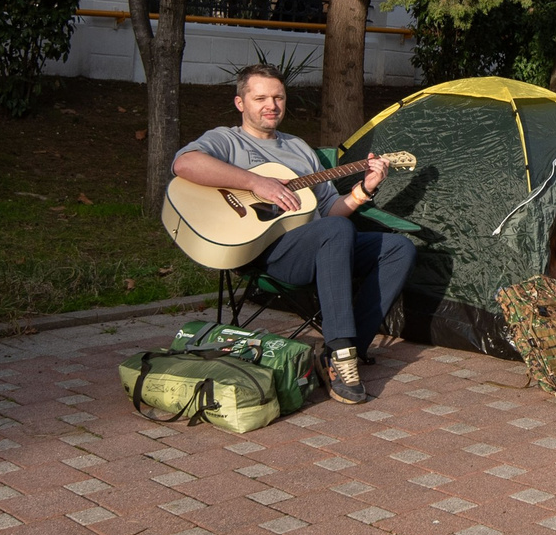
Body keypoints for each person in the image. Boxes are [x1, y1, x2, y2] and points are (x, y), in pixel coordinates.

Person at [172, 64, 416, 405]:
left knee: (398, 248)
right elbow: (184, 164)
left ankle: (341, 352)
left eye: (278, 97)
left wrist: (364, 189)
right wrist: (257, 182)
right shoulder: (226, 140)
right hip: (265, 251)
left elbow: (330, 211)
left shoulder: (299, 148)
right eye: (260, 98)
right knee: (336, 231)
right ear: (240, 103)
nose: (271, 105)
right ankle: (342, 353)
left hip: (320, 244)